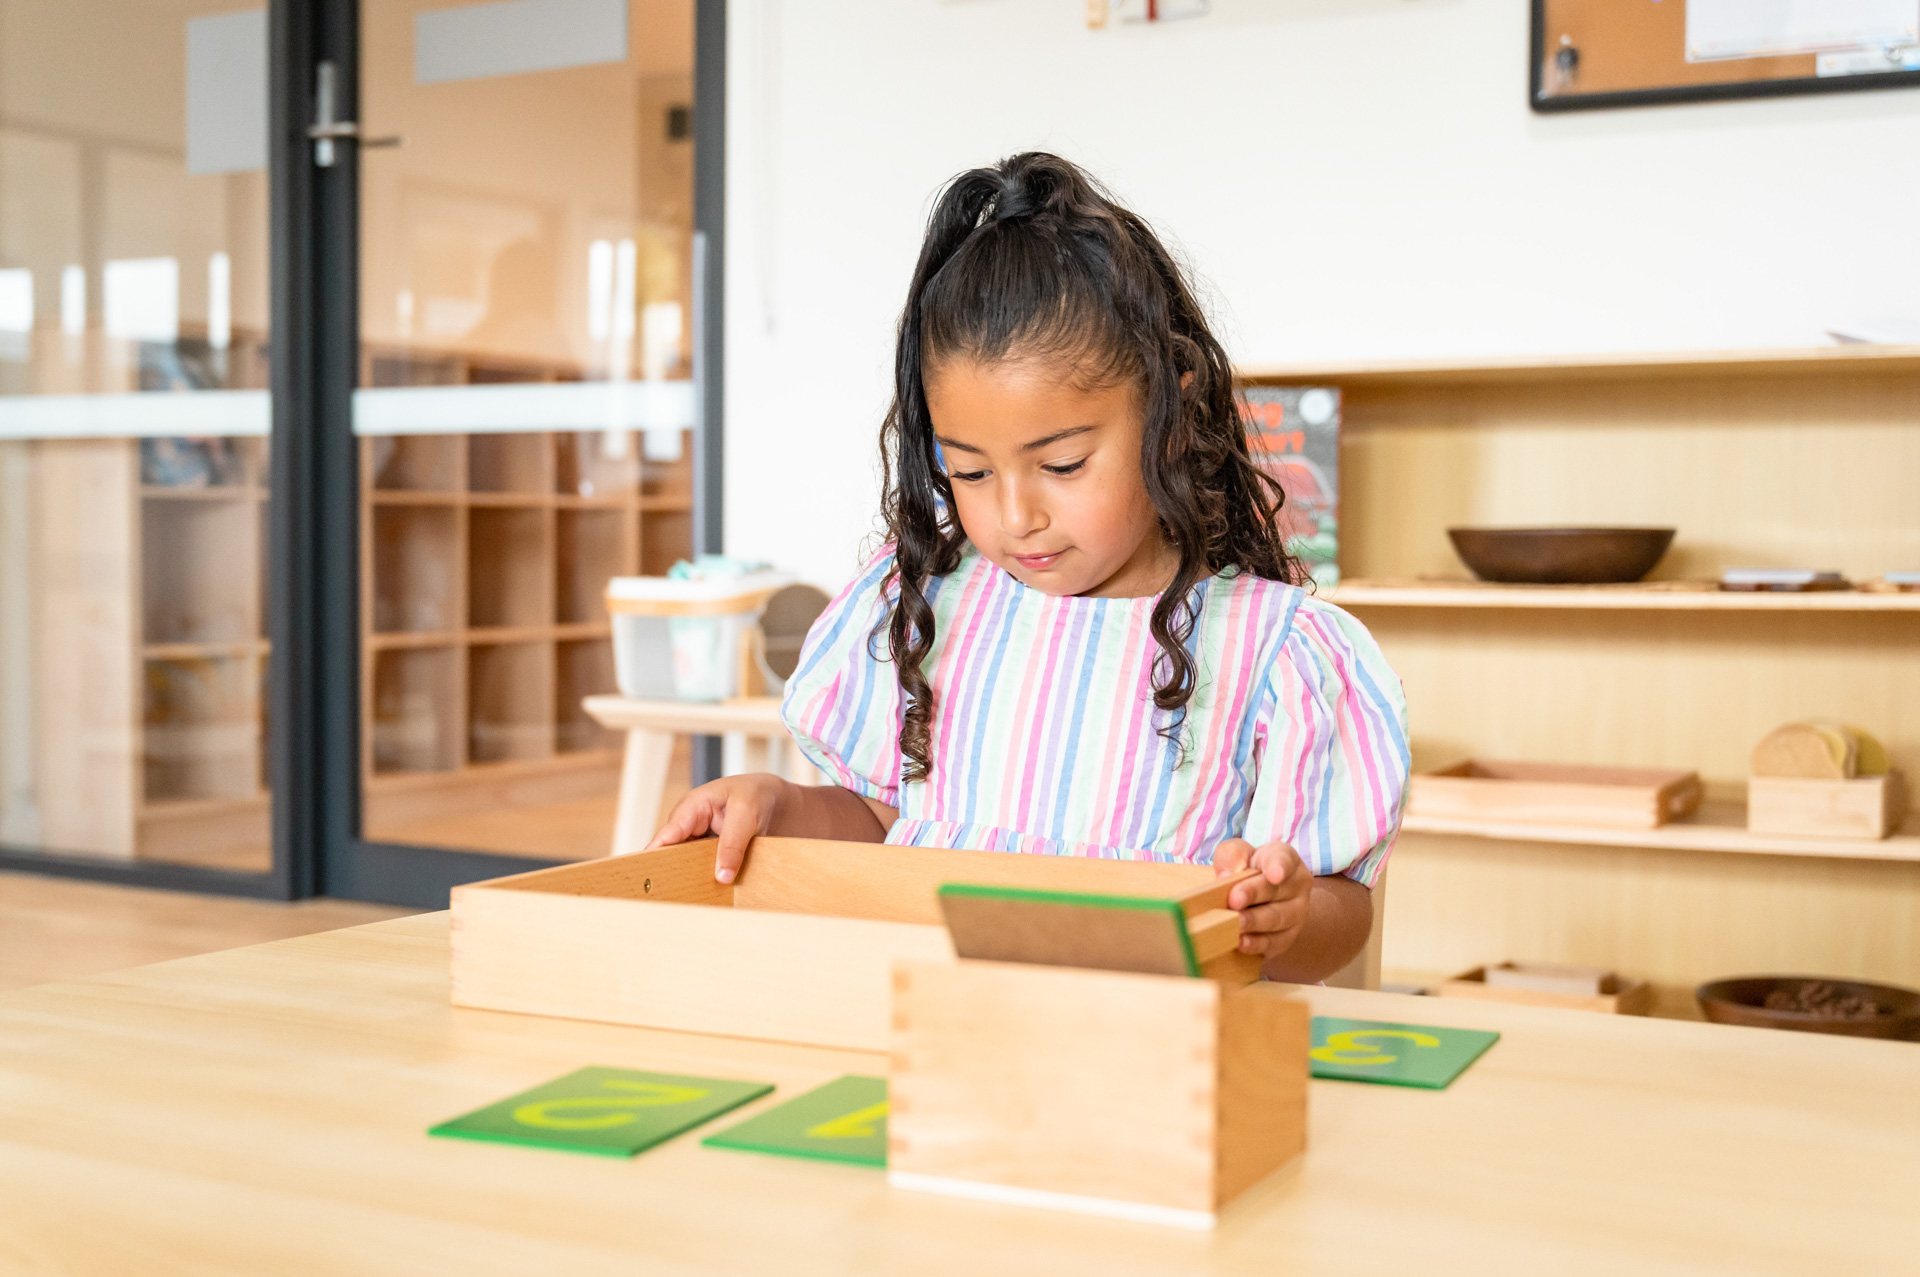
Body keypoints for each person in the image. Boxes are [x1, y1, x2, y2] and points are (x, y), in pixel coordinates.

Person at [650, 152, 1407, 982]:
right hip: (939, 1020)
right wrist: (780, 804)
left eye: (1063, 464)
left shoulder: (1275, 649)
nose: (1015, 516)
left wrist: (1283, 916)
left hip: (1145, 1039)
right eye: (971, 471)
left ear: (1174, 407)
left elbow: (1342, 912)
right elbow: (882, 827)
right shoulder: (926, 604)